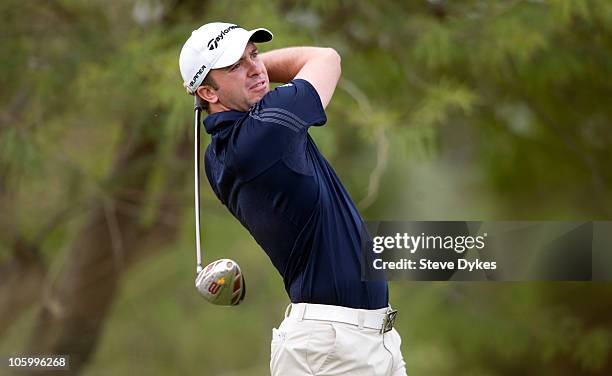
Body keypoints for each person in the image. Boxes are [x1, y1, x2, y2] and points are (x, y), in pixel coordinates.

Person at [179, 22, 407, 375]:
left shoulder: (222, 154)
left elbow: (255, 81)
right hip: (332, 349)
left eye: (253, 55)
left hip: (361, 342)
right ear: (208, 93)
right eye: (235, 65)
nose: (256, 68)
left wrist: (237, 73)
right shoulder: (266, 131)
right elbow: (325, 58)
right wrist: (254, 71)